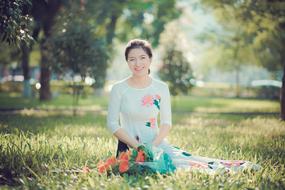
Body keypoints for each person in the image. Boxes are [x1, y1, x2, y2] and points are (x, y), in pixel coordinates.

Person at [107, 39, 259, 173]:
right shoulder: (119, 88)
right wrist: (139, 147)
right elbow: (112, 123)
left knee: (184, 162)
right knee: (159, 167)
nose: (138, 63)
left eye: (142, 58)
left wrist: (153, 147)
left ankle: (232, 167)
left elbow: (166, 123)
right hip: (130, 149)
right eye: (132, 59)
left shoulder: (160, 87)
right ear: (127, 62)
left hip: (157, 144)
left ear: (150, 59)